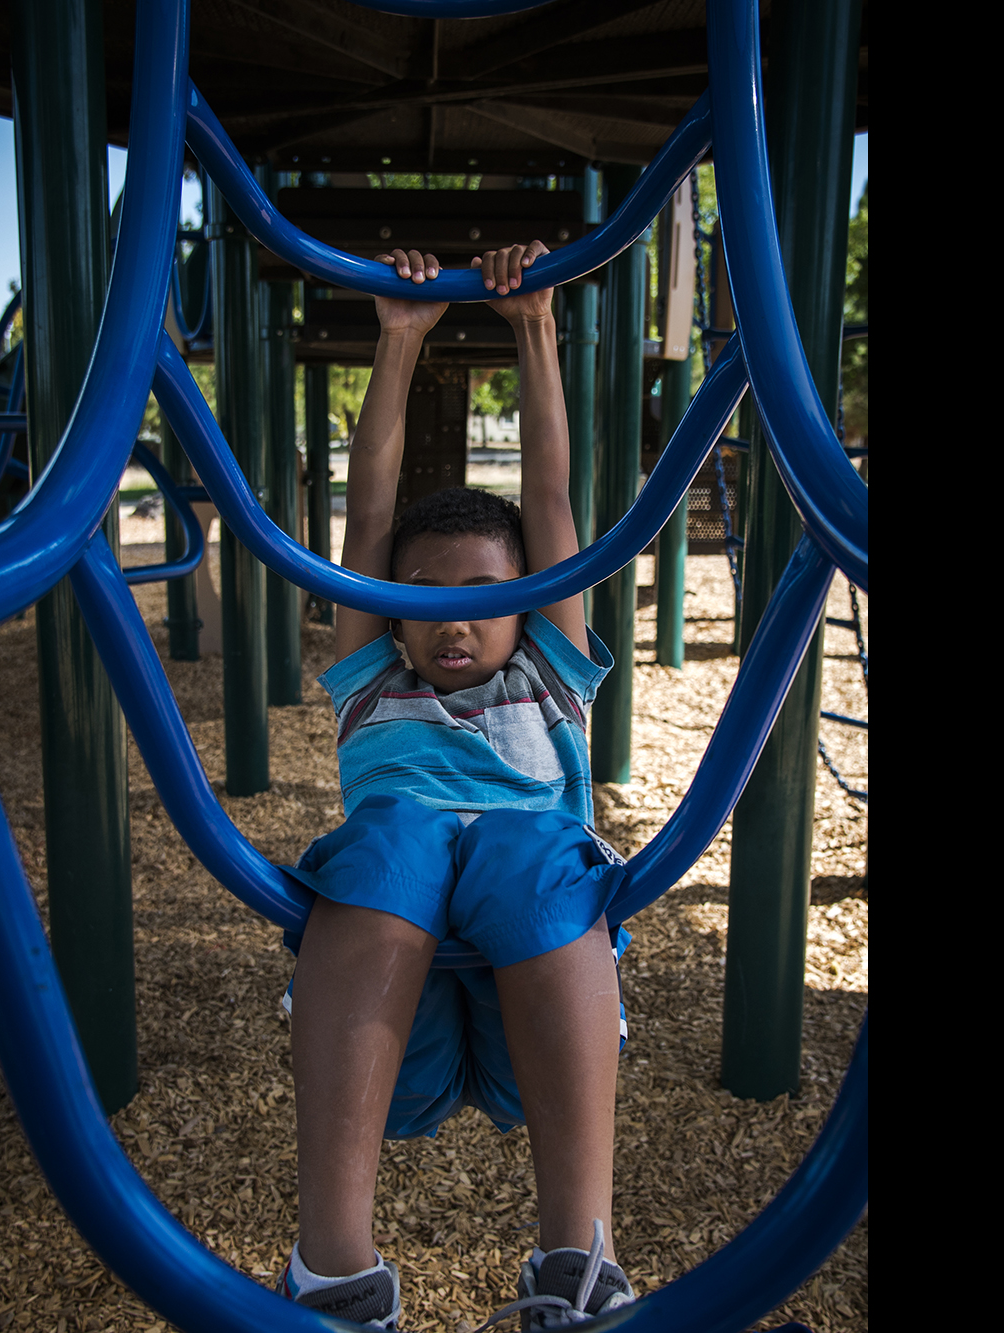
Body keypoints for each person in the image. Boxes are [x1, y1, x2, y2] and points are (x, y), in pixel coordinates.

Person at [274, 239, 637, 1329]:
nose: (451, 617)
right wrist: (398, 344)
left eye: (482, 593)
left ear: (530, 599)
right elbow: (368, 512)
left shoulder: (552, 673)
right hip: (399, 1032)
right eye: (422, 598)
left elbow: (551, 491)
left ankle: (578, 1259)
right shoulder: (371, 679)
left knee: (528, 848)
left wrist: (533, 327)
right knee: (395, 837)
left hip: (545, 1020)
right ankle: (334, 1270)